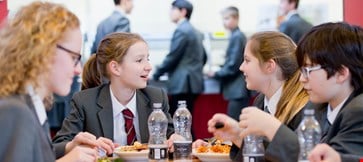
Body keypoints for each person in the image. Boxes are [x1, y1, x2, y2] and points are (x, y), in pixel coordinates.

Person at [0, 2, 102, 162]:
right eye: (74, 58)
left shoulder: (32, 103)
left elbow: (34, 153)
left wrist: (69, 147)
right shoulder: (16, 111)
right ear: (45, 50)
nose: (78, 70)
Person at [53, 32, 176, 155]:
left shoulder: (156, 98)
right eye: (139, 60)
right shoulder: (85, 102)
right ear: (115, 68)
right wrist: (74, 145)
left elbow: (170, 137)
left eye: (147, 59)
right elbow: (57, 147)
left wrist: (176, 140)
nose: (148, 67)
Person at [203, 31, 316, 162]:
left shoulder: (305, 109)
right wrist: (237, 136)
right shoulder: (261, 101)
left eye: (247, 60)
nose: (241, 67)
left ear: (269, 66)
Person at [153, 0, 206, 119]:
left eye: (173, 9)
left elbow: (172, 57)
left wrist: (156, 73)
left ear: (183, 12)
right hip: (193, 83)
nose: (170, 12)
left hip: (183, 84)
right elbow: (204, 57)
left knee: (179, 122)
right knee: (185, 121)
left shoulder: (181, 30)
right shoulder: (196, 31)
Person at [207, 6, 249, 121]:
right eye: (223, 19)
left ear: (236, 18)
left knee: (234, 123)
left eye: (227, 18)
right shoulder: (236, 36)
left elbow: (233, 65)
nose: (224, 22)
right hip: (238, 89)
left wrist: (216, 73)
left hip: (238, 89)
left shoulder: (237, 36)